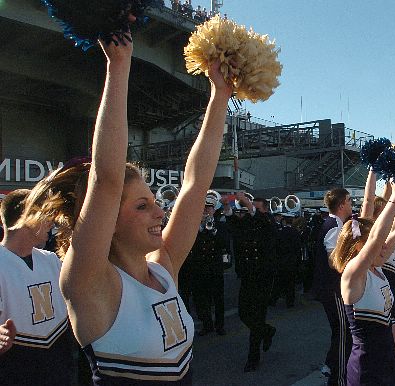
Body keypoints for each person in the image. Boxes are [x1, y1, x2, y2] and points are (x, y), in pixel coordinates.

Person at [17, 32, 232, 384]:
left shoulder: (164, 268)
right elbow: (106, 180)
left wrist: (219, 95)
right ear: (107, 222)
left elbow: (195, 186)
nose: (161, 213)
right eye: (142, 206)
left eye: (155, 204)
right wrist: (118, 66)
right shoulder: (89, 283)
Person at [331, 182, 395, 386]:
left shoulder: (378, 266)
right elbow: (377, 239)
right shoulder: (352, 274)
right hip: (367, 369)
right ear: (359, 246)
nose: (385, 246)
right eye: (375, 243)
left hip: (390, 361)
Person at [0, 189, 76, 385]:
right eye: (46, 213)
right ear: (26, 217)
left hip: (60, 366)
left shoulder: (51, 260)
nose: (51, 220)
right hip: (16, 370)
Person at [360, 171, 395, 366]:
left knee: (393, 325)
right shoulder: (362, 254)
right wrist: (372, 169)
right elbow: (368, 201)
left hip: (386, 280)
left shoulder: (379, 256)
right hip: (372, 285)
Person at [227, 193, 277, 372]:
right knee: (243, 313)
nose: (249, 210)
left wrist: (249, 205)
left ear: (263, 209)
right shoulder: (250, 221)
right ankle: (267, 331)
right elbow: (234, 226)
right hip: (248, 275)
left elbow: (264, 224)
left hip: (263, 277)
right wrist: (227, 207)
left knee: (257, 315)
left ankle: (253, 359)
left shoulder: (269, 222)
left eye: (255, 207)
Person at [313, 188, 353, 385]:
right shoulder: (335, 226)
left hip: (331, 287)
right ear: (342, 204)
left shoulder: (336, 224)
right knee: (344, 331)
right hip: (333, 287)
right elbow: (332, 261)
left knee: (340, 330)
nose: (352, 204)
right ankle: (338, 378)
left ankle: (330, 364)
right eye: (350, 200)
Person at [179, 192, 229, 336]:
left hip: (215, 268)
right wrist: (198, 229)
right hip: (198, 267)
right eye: (203, 208)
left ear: (214, 209)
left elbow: (225, 243)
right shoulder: (193, 226)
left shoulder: (220, 225)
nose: (206, 210)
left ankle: (220, 325)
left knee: (218, 299)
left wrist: (213, 230)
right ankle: (207, 324)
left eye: (209, 208)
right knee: (201, 299)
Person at [271, 213, 302, 307]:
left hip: (280, 260)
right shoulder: (295, 232)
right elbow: (298, 248)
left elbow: (275, 246)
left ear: (283, 220)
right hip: (292, 261)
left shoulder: (279, 232)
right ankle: (290, 302)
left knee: (277, 282)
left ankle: (273, 300)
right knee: (290, 283)